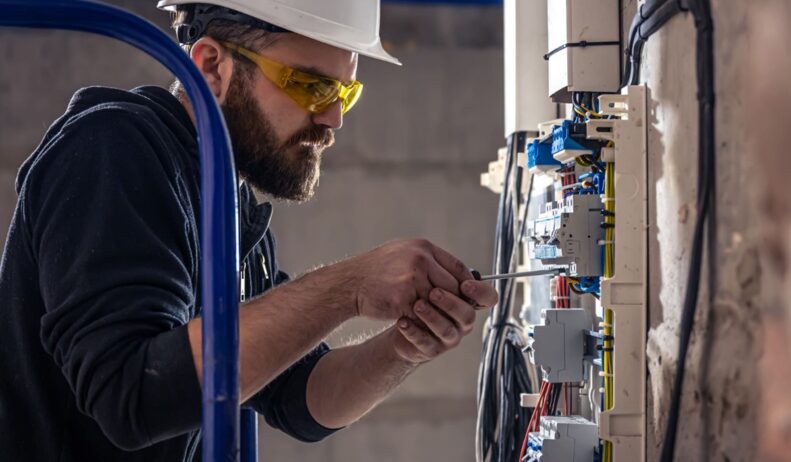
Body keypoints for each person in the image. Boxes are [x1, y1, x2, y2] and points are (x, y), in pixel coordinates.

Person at [0, 1, 498, 460]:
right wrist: (350, 286)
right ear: (212, 66)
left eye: (345, 90)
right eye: (310, 85)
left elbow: (301, 398)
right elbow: (134, 398)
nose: (334, 117)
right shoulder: (112, 152)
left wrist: (404, 346)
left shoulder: (225, 200)